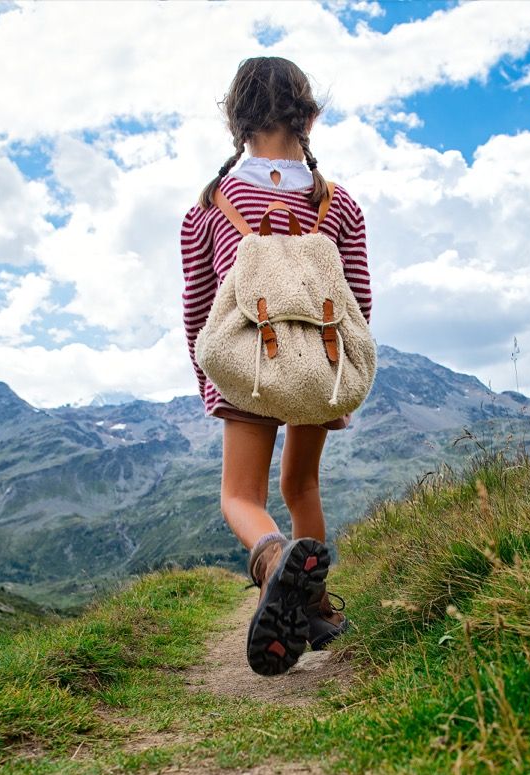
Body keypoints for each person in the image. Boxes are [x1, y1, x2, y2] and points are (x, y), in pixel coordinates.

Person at [179, 56, 372, 674]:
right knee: (301, 485)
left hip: (247, 364)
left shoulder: (212, 204)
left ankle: (271, 561)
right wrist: (340, 371)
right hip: (320, 363)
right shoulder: (337, 205)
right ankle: (313, 604)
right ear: (309, 116)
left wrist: (207, 374)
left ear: (236, 122)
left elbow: (199, 302)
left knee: (239, 495)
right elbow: (358, 300)